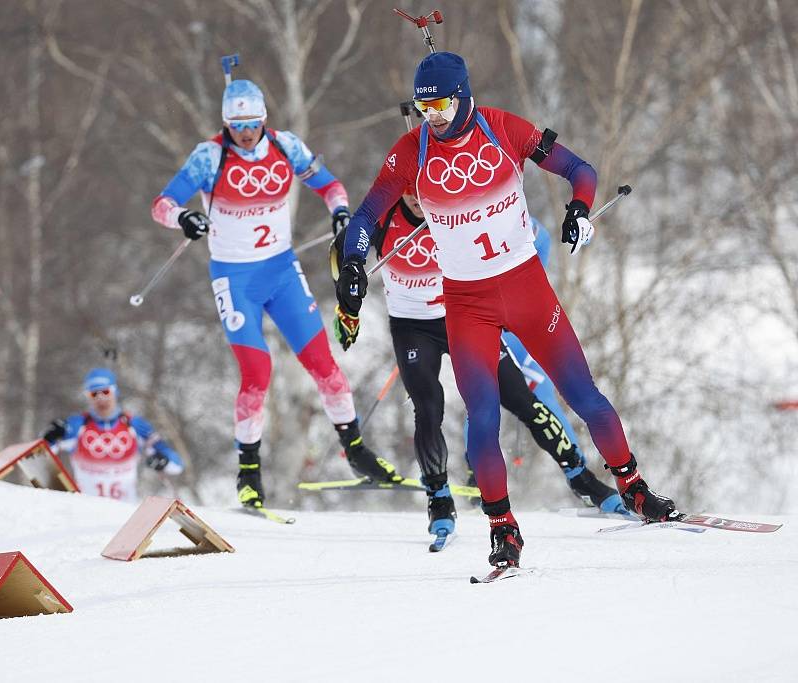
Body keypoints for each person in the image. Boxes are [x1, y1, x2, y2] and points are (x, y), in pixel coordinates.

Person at [337, 52, 675, 568]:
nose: (436, 118)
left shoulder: (502, 128)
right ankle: (503, 527)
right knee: (483, 417)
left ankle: (632, 486)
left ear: (465, 95)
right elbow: (365, 216)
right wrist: (355, 262)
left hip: (527, 291)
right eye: (426, 109)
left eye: (444, 106)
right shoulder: (411, 151)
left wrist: (580, 210)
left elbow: (580, 169)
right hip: (467, 304)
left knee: (584, 395)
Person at [150, 77, 403, 510]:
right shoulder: (210, 156)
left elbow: (330, 185)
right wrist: (185, 218)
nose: (245, 133)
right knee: (257, 373)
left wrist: (340, 214)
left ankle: (357, 452)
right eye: (236, 125)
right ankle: (248, 475)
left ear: (264, 119)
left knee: (325, 367)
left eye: (251, 124)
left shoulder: (285, 145)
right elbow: (162, 204)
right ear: (225, 123)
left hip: (282, 272)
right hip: (235, 279)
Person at [332, 191, 626, 540]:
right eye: (407, 192)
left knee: (523, 400)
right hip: (412, 327)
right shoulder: (383, 221)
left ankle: (584, 480)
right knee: (428, 409)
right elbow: (342, 254)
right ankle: (439, 499)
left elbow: (515, 237)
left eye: (420, 190)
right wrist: (348, 297)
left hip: (464, 318)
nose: (416, 199)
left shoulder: (452, 211)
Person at [41, 368, 183, 502]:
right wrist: (49, 437)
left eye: (105, 392)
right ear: (88, 396)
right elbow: (39, 455)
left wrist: (163, 460)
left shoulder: (135, 425)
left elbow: (177, 465)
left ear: (115, 392)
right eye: (94, 394)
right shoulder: (76, 425)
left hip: (124, 511)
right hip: (85, 510)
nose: (101, 398)